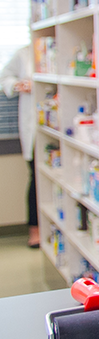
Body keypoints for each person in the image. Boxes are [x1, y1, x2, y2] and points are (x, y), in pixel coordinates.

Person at [0, 45, 38, 248]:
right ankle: (35, 230)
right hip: (33, 125)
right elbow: (4, 78)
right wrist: (18, 85)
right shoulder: (24, 53)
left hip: (56, 126)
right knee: (36, 178)